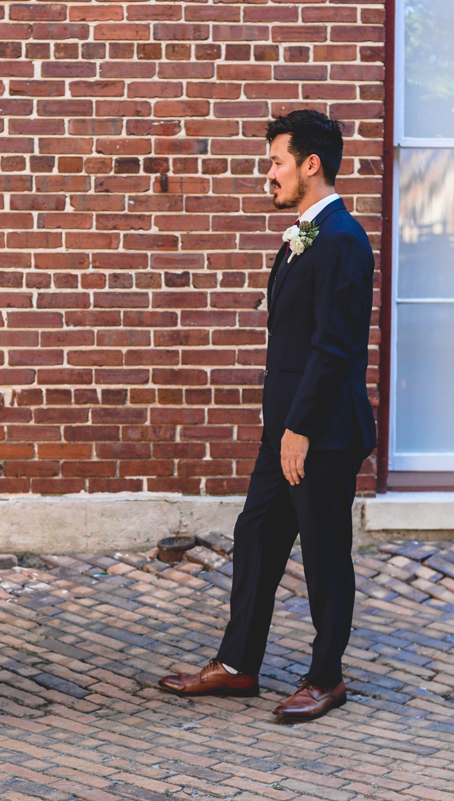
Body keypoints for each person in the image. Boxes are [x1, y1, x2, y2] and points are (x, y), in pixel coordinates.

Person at [159, 110, 377, 721]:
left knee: (325, 554)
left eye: (277, 161)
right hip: (284, 430)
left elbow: (334, 348)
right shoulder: (304, 234)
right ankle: (237, 666)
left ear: (312, 164)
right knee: (256, 535)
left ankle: (327, 677)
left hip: (320, 432)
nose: (269, 174)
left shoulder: (340, 240)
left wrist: (301, 429)